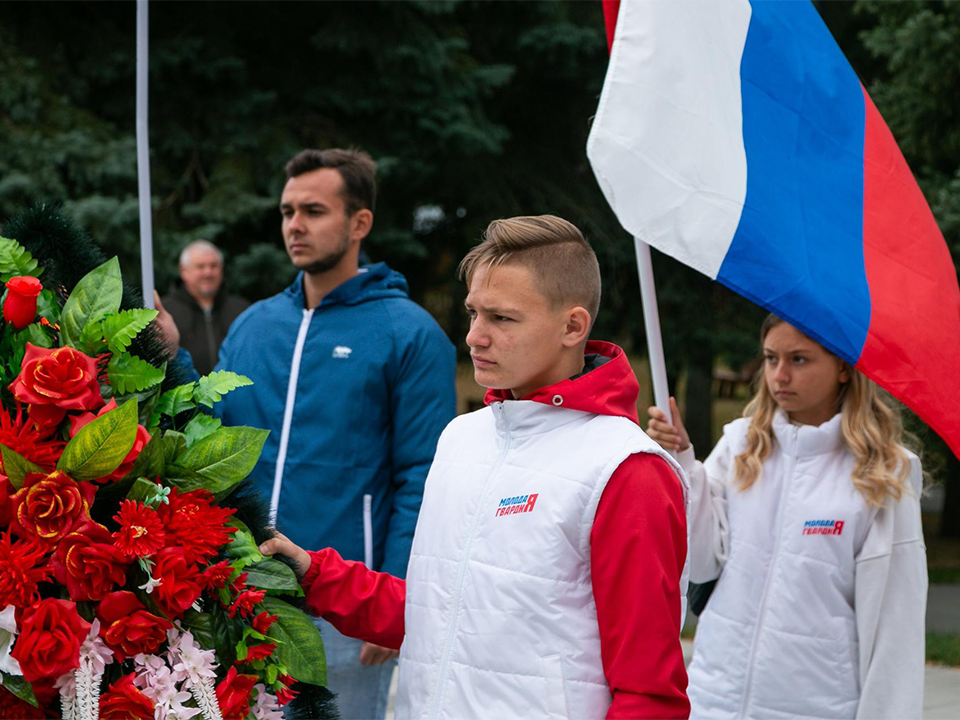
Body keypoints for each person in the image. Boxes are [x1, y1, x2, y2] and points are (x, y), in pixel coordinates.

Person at [261, 215, 691, 719]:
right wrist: (314, 574)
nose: (474, 337)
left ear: (572, 326)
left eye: (502, 319)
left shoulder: (627, 468)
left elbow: (649, 692)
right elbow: (435, 612)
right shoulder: (462, 437)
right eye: (472, 313)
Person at [160, 149, 457, 720]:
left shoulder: (411, 334)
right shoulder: (254, 325)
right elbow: (214, 437)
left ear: (359, 223)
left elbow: (423, 478)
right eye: (287, 210)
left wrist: (394, 600)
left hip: (346, 609)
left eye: (314, 210)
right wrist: (173, 356)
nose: (294, 224)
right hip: (245, 594)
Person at [646, 314, 927, 720]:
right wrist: (683, 463)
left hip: (816, 709)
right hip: (714, 700)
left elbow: (895, 631)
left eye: (799, 360)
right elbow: (702, 563)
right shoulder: (741, 445)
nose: (779, 375)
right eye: (770, 358)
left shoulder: (884, 473)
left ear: (844, 368)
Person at [160, 240, 249, 375]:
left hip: (234, 394)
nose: (208, 273)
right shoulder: (165, 313)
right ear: (183, 270)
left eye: (213, 266)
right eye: (200, 267)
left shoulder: (242, 310)